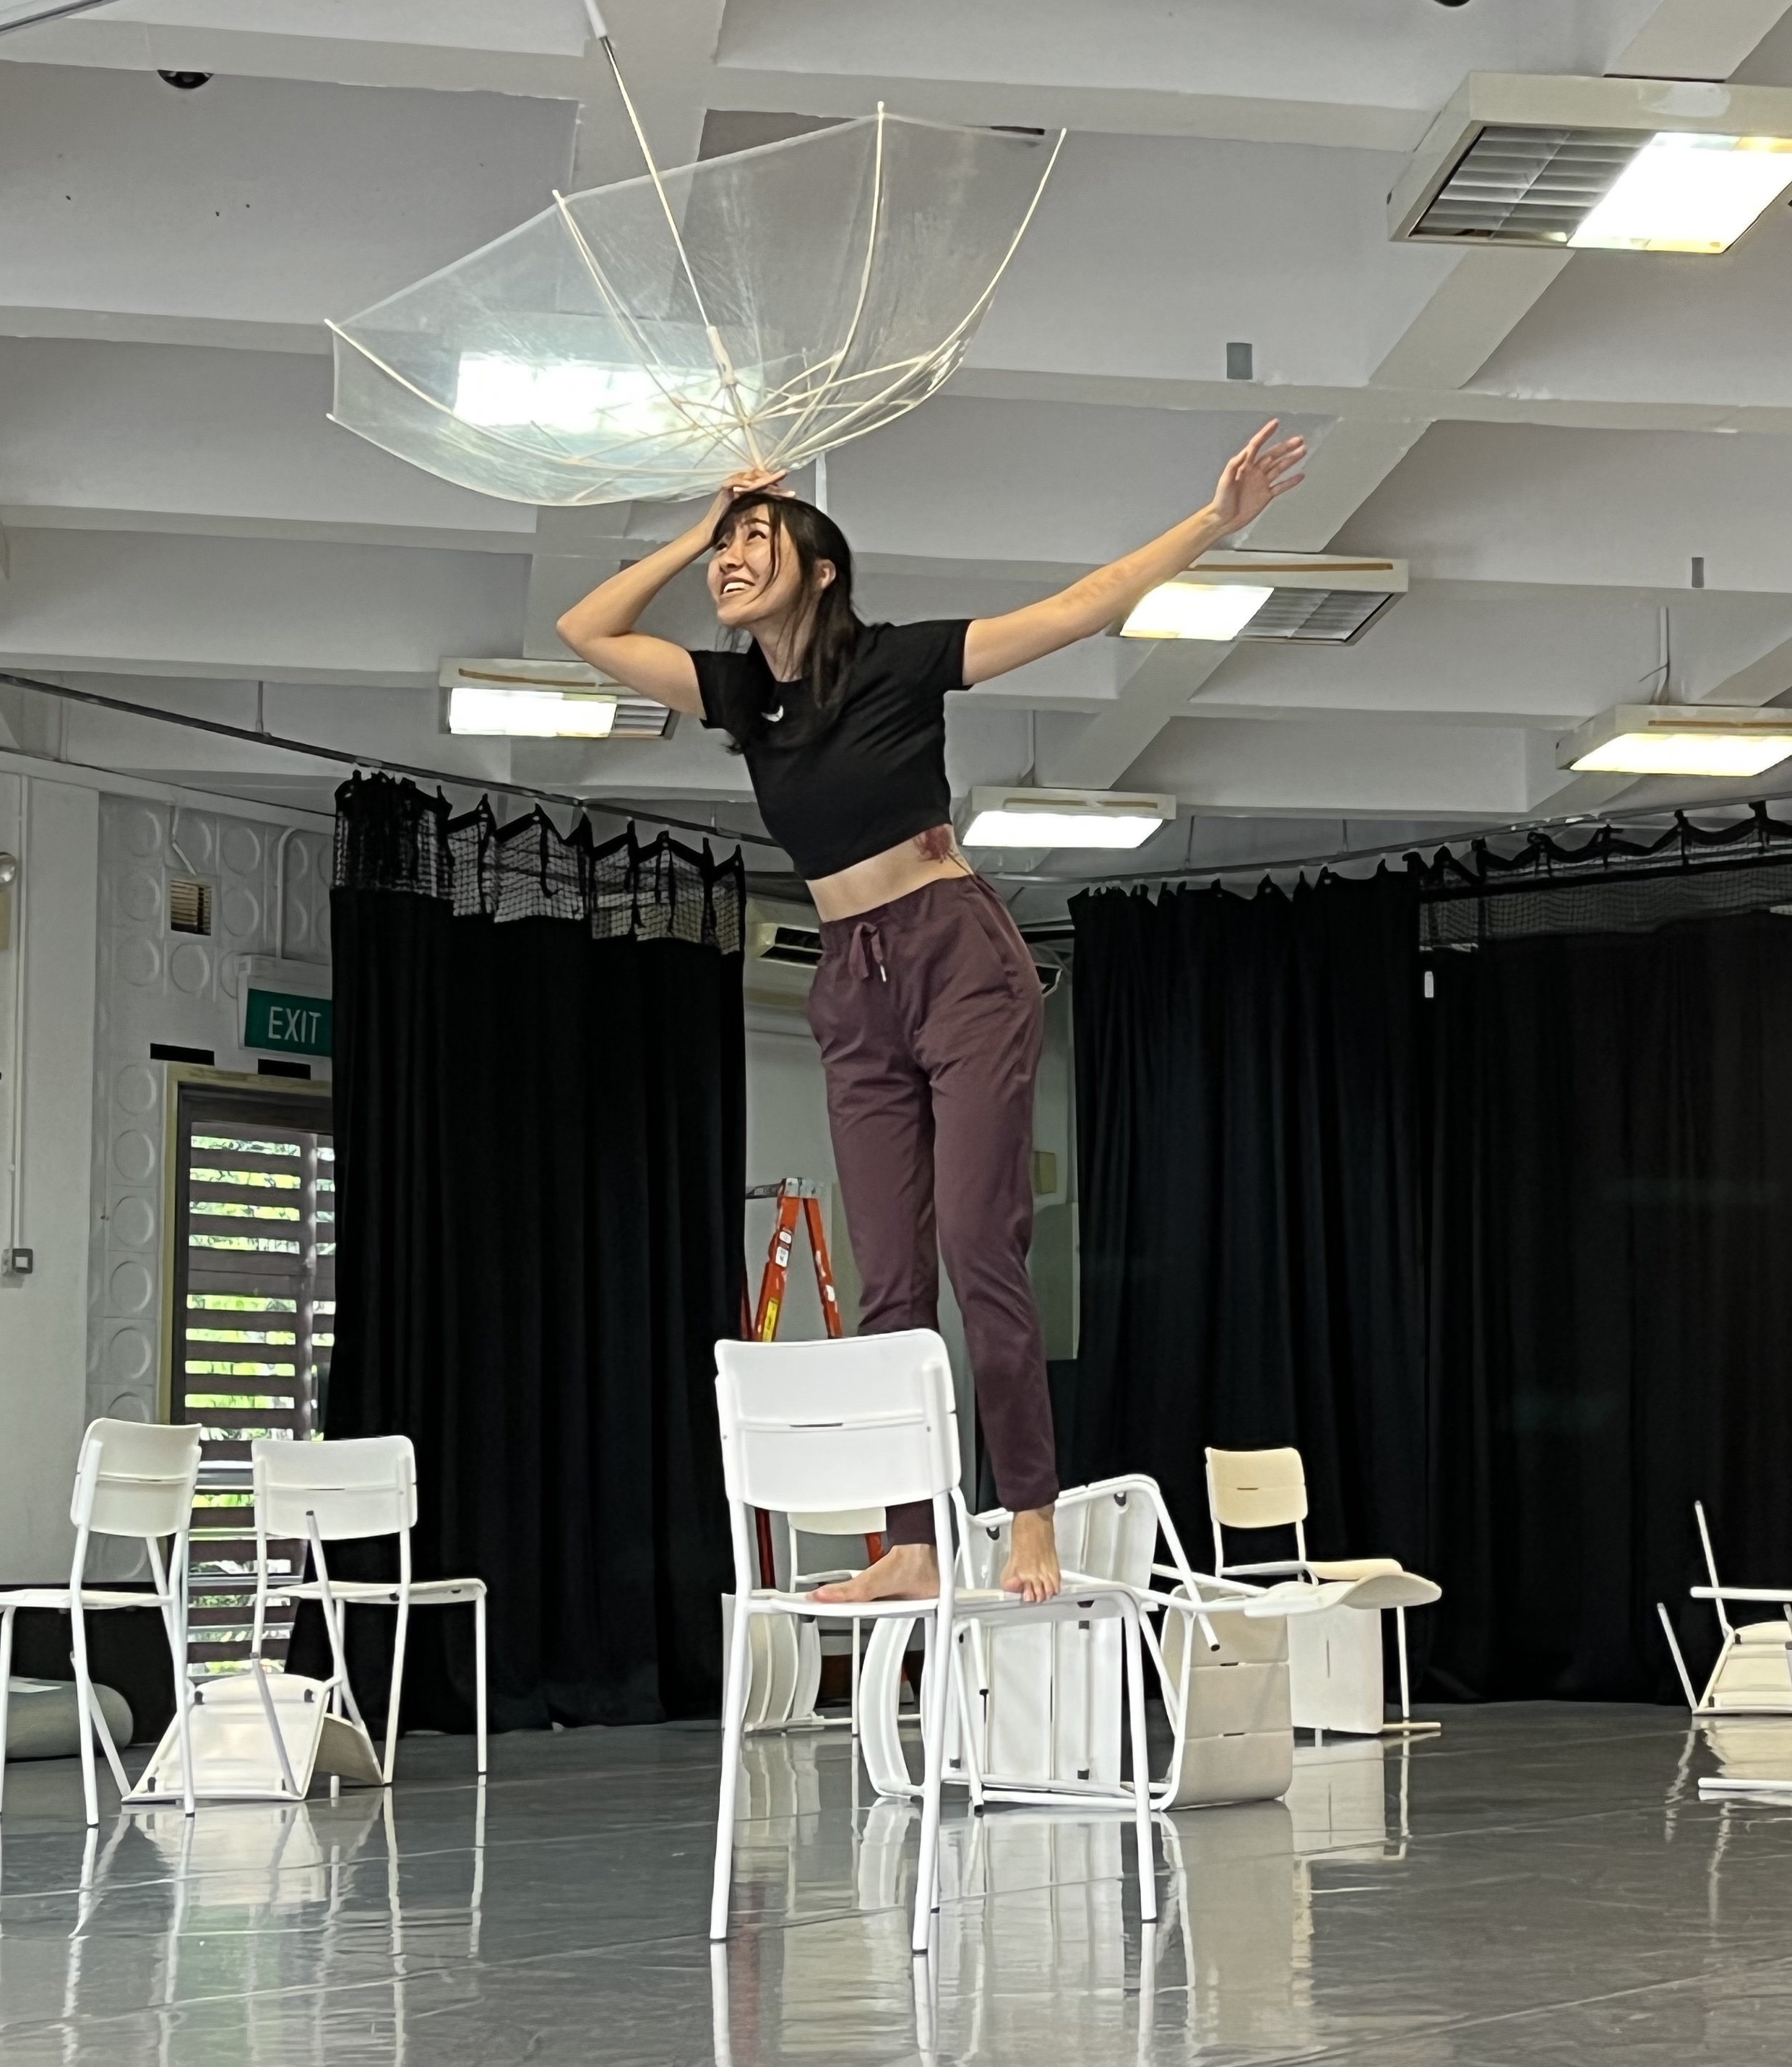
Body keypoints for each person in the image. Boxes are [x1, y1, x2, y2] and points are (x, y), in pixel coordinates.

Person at [558, 423, 1306, 1601]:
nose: (730, 562)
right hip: (850, 976)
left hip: (957, 953)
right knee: (890, 1279)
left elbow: (1082, 608)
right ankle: (910, 1543)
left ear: (823, 570)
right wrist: (699, 524)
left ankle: (1029, 1515)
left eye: (757, 542)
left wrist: (1216, 521)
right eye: (724, 549)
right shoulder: (739, 696)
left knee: (975, 1243)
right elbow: (585, 632)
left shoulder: (900, 662)